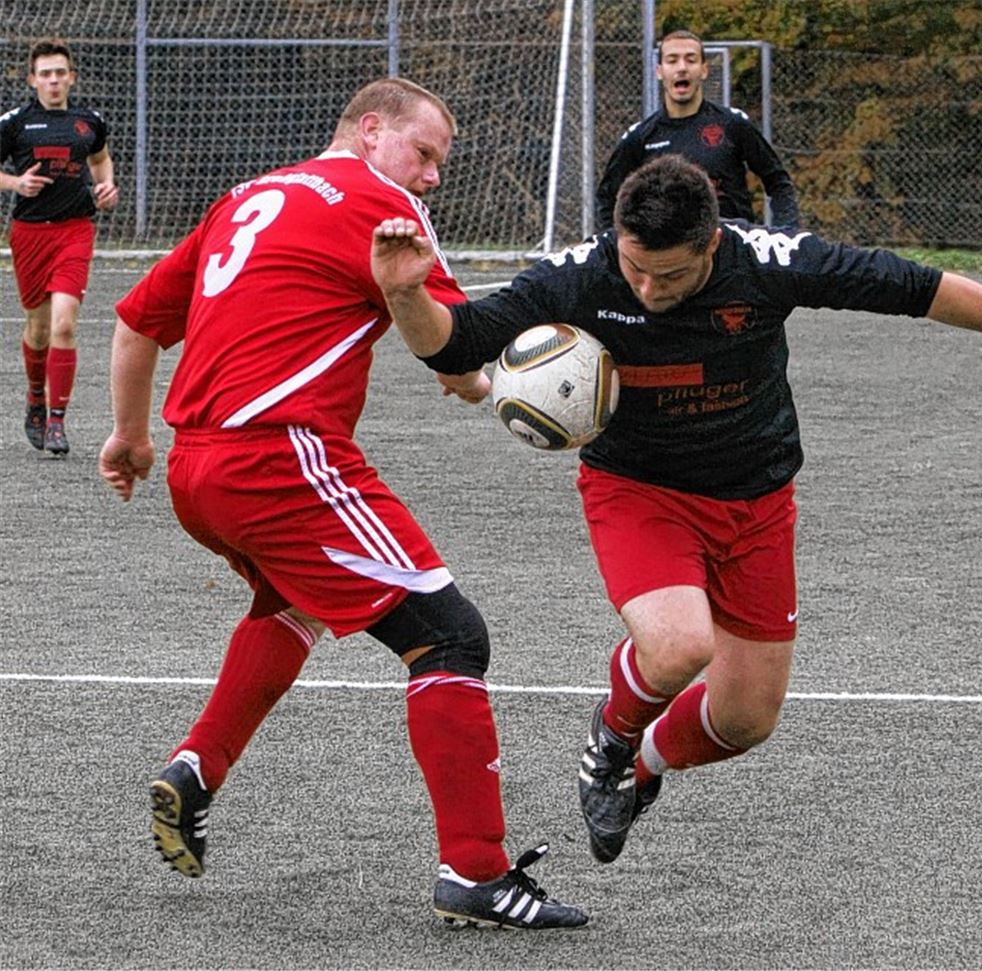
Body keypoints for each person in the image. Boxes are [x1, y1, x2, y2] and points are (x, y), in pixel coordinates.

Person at [370, 153, 982, 865]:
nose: (646, 289)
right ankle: (612, 732)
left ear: (711, 248)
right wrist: (408, 292)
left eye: (667, 277)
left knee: (745, 719)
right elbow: (454, 345)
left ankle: (638, 770)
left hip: (759, 499)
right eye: (636, 268)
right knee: (677, 649)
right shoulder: (582, 275)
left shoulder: (766, 263)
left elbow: (915, 287)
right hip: (641, 492)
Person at [97, 77, 586, 929]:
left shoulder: (248, 194)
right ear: (370, 131)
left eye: (438, 162)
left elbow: (137, 321)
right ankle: (477, 870)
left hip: (194, 471)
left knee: (293, 600)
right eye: (425, 153)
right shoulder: (381, 203)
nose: (430, 177)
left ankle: (197, 765)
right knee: (448, 632)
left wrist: (129, 437)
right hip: (279, 460)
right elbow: (454, 346)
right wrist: (479, 381)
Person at [1, 37, 118, 456]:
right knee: (38, 328)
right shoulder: (14, 123)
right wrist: (16, 183)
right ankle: (36, 396)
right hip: (30, 233)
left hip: (75, 229)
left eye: (60, 73)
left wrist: (105, 186)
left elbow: (100, 159)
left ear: (72, 77)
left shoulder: (89, 121)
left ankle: (57, 420)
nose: (53, 81)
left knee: (64, 324)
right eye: (45, 74)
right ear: (33, 79)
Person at [595, 29, 798, 233]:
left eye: (691, 60)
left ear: (704, 70)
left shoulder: (733, 124)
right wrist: (617, 247)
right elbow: (606, 198)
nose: (682, 68)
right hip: (670, 257)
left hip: (731, 254)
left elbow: (778, 182)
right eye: (672, 60)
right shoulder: (640, 137)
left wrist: (786, 233)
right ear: (659, 71)